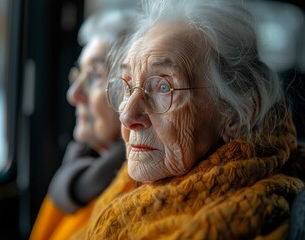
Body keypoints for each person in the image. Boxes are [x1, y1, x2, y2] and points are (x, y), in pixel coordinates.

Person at [68, 0, 305, 239]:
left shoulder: (253, 218)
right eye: (128, 86)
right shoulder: (125, 190)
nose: (128, 116)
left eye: (163, 86)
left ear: (236, 114)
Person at [29, 9, 136, 240]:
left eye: (95, 75)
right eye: (77, 75)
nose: (73, 94)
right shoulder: (77, 172)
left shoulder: (134, 194)